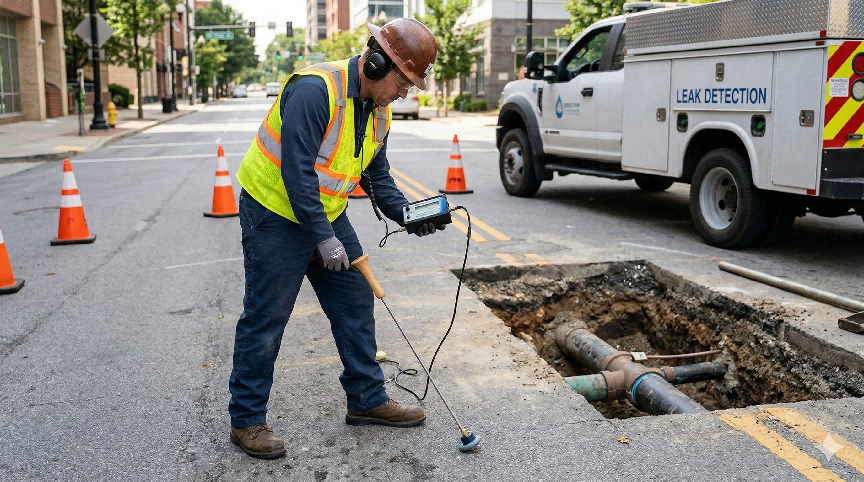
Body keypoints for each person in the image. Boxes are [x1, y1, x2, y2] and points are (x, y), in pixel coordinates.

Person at [228, 18, 441, 460]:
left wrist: (408, 215)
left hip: (324, 213)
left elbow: (377, 177)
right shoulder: (315, 90)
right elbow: (297, 172)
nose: (405, 93)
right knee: (266, 317)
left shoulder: (378, 112)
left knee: (355, 300)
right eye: (404, 82)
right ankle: (246, 420)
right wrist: (324, 239)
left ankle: (367, 399)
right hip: (273, 212)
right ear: (377, 63)